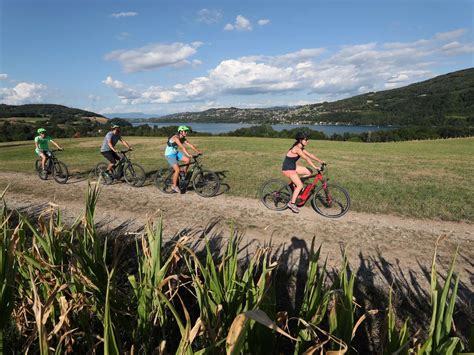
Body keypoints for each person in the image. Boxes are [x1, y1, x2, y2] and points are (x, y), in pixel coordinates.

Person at [281, 131, 325, 213]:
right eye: (306, 139)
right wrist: (316, 167)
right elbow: (307, 158)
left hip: (293, 166)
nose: (308, 141)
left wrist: (321, 161)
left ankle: (295, 185)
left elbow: (310, 155)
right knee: (300, 185)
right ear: (301, 140)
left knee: (309, 171)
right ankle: (292, 204)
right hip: (288, 168)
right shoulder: (296, 148)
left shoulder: (300, 147)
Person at [164, 125, 202, 193]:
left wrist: (197, 151)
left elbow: (190, 145)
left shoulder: (183, 138)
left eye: (187, 131)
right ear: (181, 131)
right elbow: (182, 147)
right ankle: (174, 186)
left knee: (187, 160)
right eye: (185, 131)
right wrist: (188, 154)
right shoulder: (176, 138)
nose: (186, 133)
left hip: (175, 153)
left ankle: (183, 173)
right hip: (169, 155)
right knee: (177, 170)